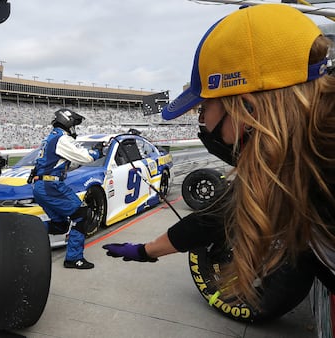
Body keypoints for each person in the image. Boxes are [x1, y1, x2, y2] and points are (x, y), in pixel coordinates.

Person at [103, 3, 335, 307]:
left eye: (204, 108)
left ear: (248, 108)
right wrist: (145, 251)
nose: (203, 123)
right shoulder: (295, 162)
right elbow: (214, 217)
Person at [32, 108, 101, 269]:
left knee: (60, 225)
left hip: (42, 185)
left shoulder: (51, 138)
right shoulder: (62, 139)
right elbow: (86, 157)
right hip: (51, 185)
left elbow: (57, 163)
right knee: (82, 214)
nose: (74, 129)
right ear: (67, 122)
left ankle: (26, 231)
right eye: (74, 125)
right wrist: (98, 151)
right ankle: (73, 258)